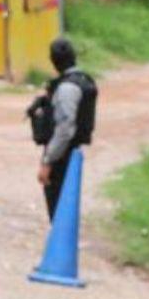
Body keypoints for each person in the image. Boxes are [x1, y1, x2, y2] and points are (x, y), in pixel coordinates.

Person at [36, 37, 98, 220]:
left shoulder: (67, 88)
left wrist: (48, 161)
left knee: (59, 210)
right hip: (72, 152)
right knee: (66, 207)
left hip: (61, 156)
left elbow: (65, 129)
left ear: (53, 61)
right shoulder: (83, 80)